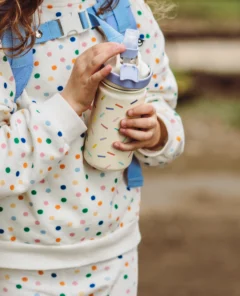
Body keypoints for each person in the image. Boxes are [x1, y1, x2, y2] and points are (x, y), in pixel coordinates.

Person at [0, 0, 184, 295]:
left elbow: (164, 106)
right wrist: (69, 104)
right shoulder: (6, 24)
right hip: (19, 267)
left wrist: (156, 131)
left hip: (116, 255)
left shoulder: (125, 10)